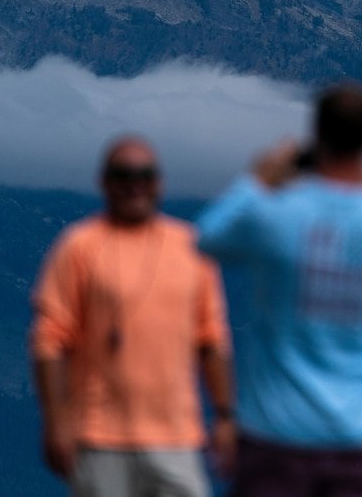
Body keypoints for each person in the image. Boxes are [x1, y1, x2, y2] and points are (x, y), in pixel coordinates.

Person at [196, 82, 362, 497]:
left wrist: (257, 180)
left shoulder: (275, 216)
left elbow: (209, 236)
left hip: (276, 433)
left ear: (315, 136)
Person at [30, 135, 237, 497]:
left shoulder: (190, 248)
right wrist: (56, 419)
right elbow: (49, 338)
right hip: (99, 436)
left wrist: (225, 415)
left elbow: (212, 338)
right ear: (105, 182)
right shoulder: (79, 246)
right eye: (123, 175)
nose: (134, 185)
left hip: (177, 436)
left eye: (145, 175)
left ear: (159, 182)